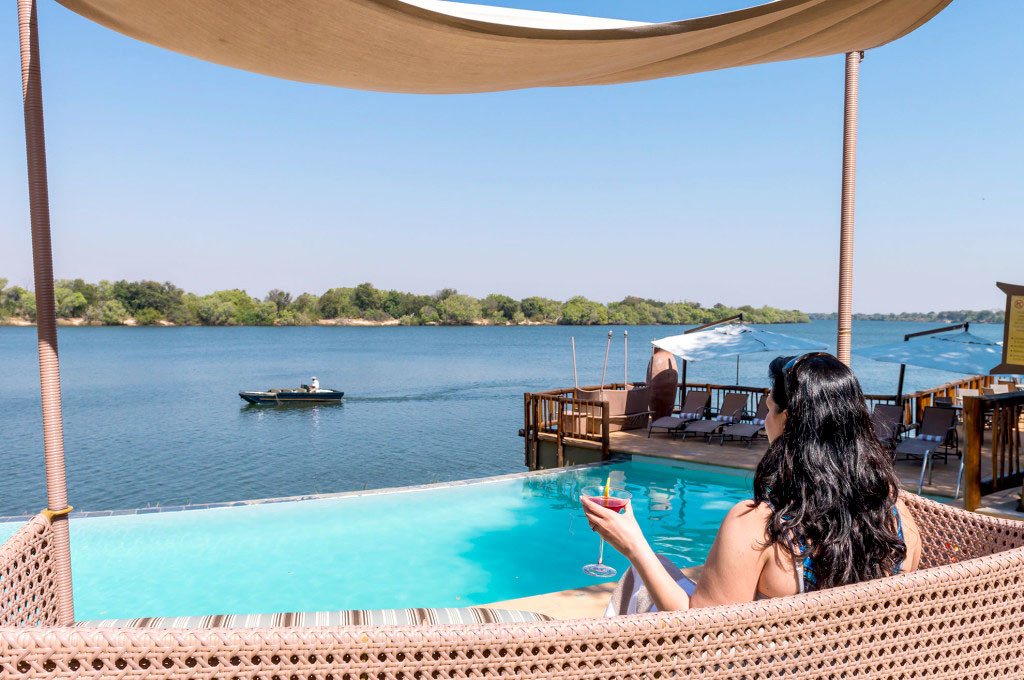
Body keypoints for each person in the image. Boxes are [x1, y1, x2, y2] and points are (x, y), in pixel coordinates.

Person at [583, 352, 921, 613]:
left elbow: (702, 631)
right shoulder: (897, 515)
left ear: (788, 420)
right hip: (855, 663)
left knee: (640, 575)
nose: (764, 420)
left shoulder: (759, 527)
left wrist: (633, 544)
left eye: (769, 409)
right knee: (663, 566)